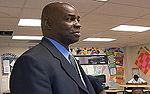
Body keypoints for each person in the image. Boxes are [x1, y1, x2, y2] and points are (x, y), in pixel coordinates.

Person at [10, 2, 96, 94]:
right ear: (48, 24)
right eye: (69, 19)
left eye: (78, 20)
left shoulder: (70, 59)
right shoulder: (31, 61)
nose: (78, 24)